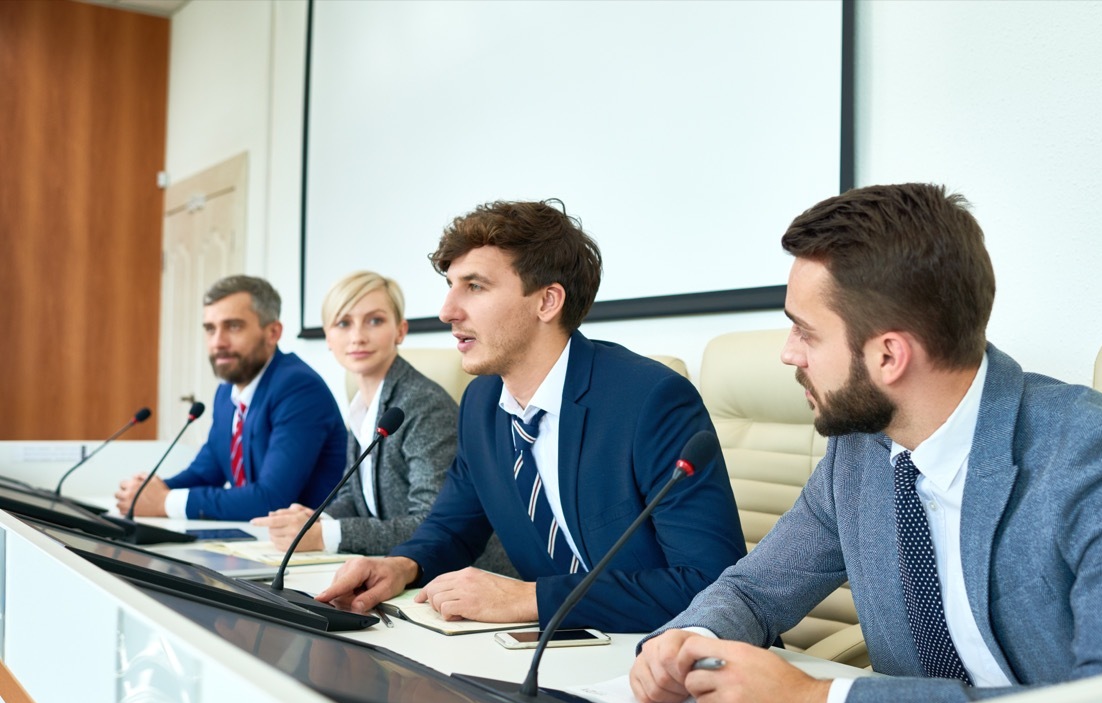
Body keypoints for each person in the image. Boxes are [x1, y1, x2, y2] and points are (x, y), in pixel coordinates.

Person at [629, 182, 1102, 703]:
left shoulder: (1100, 460)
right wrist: (684, 642)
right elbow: (755, 591)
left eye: (805, 332)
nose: (788, 353)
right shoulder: (861, 450)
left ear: (889, 355)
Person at [315, 199, 746, 633]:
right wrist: (401, 566)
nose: (447, 311)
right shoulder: (481, 404)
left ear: (547, 301)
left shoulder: (650, 400)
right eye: (450, 285)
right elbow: (451, 527)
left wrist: (530, 597)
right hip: (560, 652)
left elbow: (709, 584)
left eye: (475, 286)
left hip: (679, 655)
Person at [249, 270, 514, 573]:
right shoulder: (362, 404)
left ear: (400, 331)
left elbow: (431, 524)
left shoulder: (422, 404)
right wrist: (315, 520)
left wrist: (327, 535)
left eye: (375, 321)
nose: (357, 336)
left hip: (465, 579)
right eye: (343, 323)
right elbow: (354, 497)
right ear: (328, 337)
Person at [115, 276, 345, 521]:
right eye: (210, 329)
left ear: (273, 332)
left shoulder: (298, 388)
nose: (218, 342)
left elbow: (271, 499)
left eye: (233, 327)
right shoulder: (227, 393)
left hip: (308, 549)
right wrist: (149, 491)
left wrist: (165, 502)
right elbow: (205, 473)